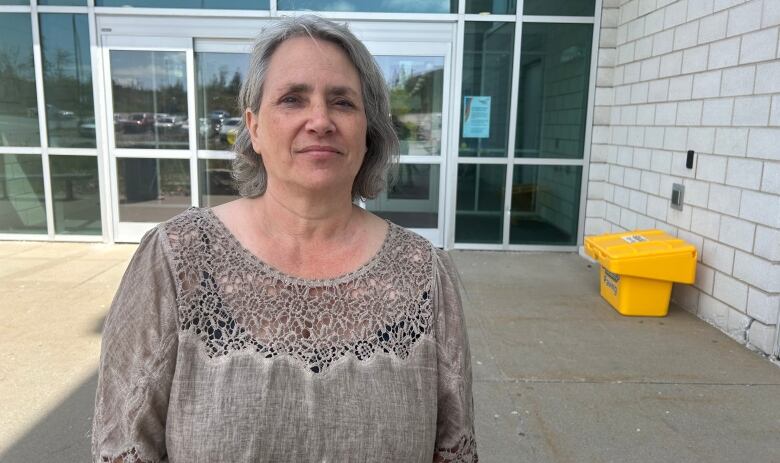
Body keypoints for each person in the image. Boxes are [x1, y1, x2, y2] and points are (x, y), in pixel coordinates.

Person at [92, 15, 477, 463]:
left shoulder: (424, 274)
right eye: (293, 99)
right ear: (254, 128)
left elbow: (454, 450)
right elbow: (123, 444)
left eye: (343, 102)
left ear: (367, 133)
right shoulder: (178, 259)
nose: (320, 120)